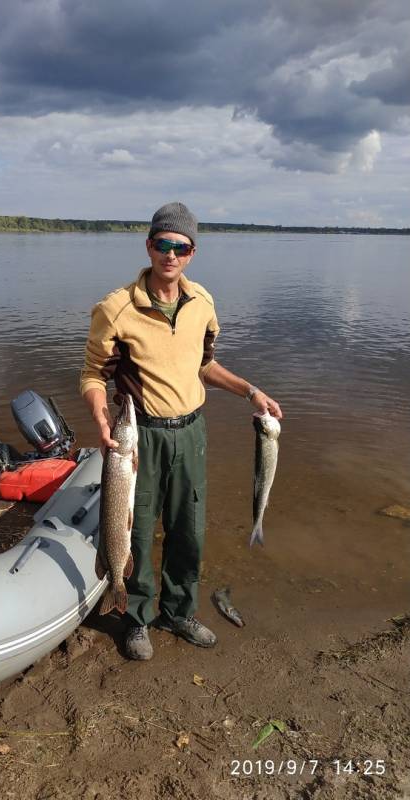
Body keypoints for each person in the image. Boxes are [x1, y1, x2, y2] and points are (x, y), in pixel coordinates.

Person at [80, 202, 282, 660]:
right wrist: (98, 417)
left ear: (192, 252)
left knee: (189, 528)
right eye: (162, 244)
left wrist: (250, 391)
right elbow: (93, 374)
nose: (170, 254)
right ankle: (136, 617)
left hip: (191, 433)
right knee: (137, 527)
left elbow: (204, 365)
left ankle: (180, 610)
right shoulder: (116, 309)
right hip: (140, 438)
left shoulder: (203, 304)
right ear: (149, 246)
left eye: (180, 246)